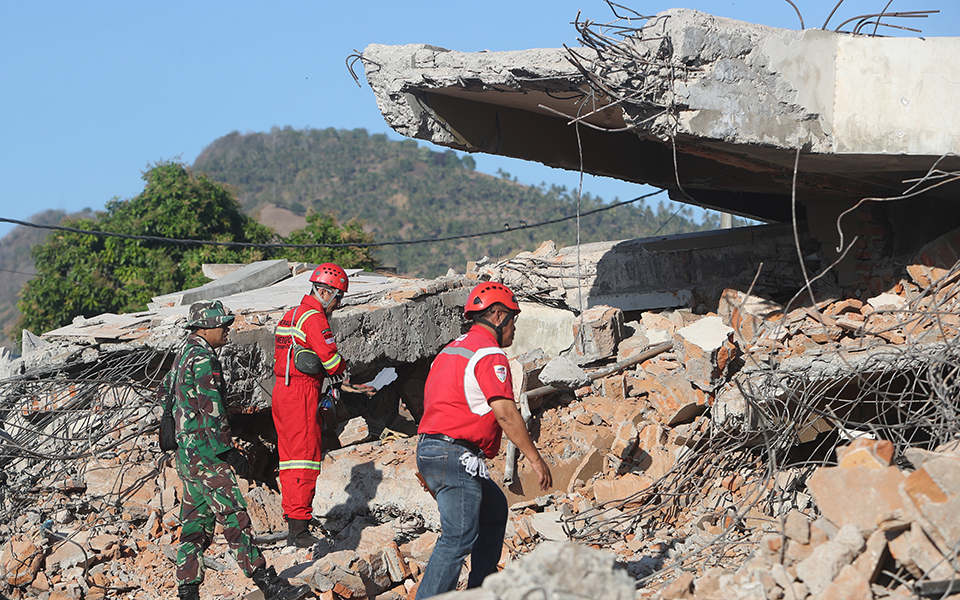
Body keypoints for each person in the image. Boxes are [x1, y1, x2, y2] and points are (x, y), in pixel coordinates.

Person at [415, 282, 553, 599]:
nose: (514, 330)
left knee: (492, 510)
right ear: (497, 314)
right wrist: (534, 457)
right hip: (455, 452)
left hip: (433, 447)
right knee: (459, 534)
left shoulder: (450, 351)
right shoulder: (490, 354)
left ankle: (480, 590)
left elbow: (437, 407)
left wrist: (431, 461)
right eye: (513, 321)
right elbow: (505, 413)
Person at [164, 300, 311, 600]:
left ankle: (188, 590)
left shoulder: (182, 353)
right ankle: (268, 584)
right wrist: (228, 452)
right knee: (234, 516)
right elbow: (212, 410)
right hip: (208, 454)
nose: (228, 330)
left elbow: (167, 393)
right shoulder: (204, 358)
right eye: (223, 325)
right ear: (206, 328)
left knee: (195, 524)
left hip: (187, 454)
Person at [272, 262, 349, 547]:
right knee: (305, 457)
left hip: (282, 389)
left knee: (289, 458)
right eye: (338, 298)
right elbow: (331, 361)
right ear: (325, 292)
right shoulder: (315, 319)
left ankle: (293, 520)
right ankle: (300, 530)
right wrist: (342, 367)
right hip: (302, 392)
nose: (337, 305)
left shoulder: (290, 315)